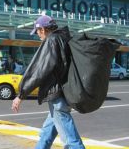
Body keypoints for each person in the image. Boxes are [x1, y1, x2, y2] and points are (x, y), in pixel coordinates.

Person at [11, 15, 85, 149]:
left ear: (43, 29)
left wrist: (21, 94)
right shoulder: (65, 38)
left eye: (37, 31)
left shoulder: (52, 41)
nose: (37, 35)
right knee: (47, 132)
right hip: (65, 93)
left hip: (56, 95)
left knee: (71, 141)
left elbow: (39, 70)